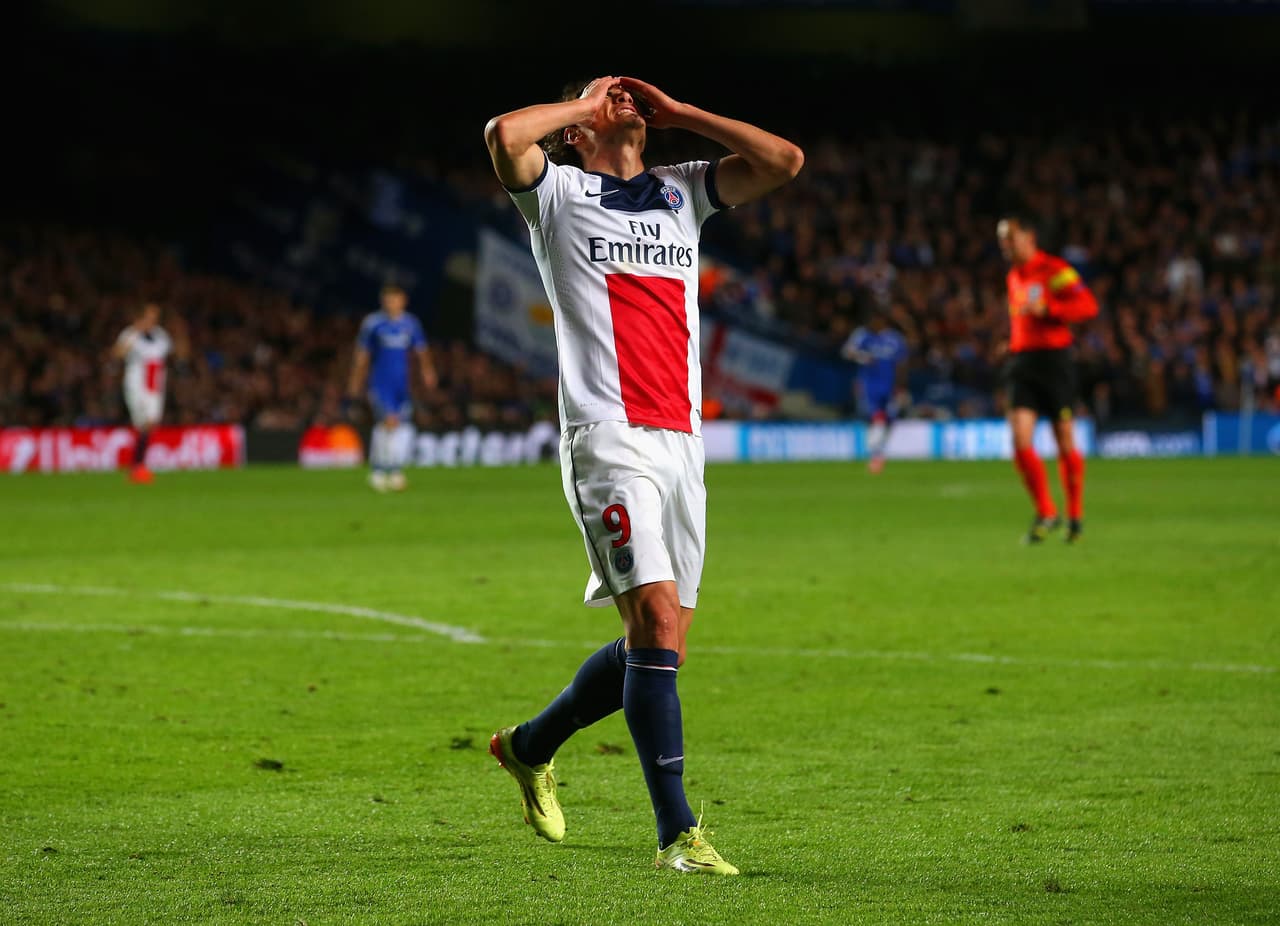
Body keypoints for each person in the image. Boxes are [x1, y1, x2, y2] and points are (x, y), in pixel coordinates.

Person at [483, 75, 803, 874]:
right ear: (578, 131)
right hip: (607, 436)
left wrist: (684, 113)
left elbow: (785, 160)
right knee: (656, 625)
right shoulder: (555, 193)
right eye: (603, 93)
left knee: (660, 644)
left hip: (680, 443)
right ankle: (677, 835)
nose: (621, 92)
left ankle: (528, 746)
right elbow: (503, 136)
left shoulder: (681, 192)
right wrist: (584, 106)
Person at [997, 213, 1099, 544]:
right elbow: (1023, 320)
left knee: (1064, 438)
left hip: (1055, 362)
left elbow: (1087, 306)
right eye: (1002, 240)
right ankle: (1046, 511)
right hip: (1022, 363)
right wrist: (1012, 343)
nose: (1005, 246)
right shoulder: (1014, 276)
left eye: (1010, 238)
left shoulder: (1055, 271)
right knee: (1019, 439)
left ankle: (1075, 518)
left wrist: (1052, 309)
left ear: (1030, 237)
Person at [346, 283, 438, 492]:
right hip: (380, 383)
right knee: (388, 422)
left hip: (401, 384)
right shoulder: (373, 324)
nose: (391, 303)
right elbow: (362, 355)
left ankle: (393, 471)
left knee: (398, 427)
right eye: (388, 300)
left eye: (395, 299)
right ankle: (379, 472)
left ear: (402, 300)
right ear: (383, 301)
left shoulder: (411, 324)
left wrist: (428, 372)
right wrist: (355, 381)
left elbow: (421, 351)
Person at [841, 310, 908, 474]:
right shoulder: (863, 335)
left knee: (890, 419)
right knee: (876, 417)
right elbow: (846, 352)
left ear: (882, 321)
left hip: (890, 386)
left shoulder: (895, 339)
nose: (872, 324)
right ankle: (876, 455)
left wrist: (902, 386)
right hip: (870, 385)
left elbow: (902, 364)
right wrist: (862, 357)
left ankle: (879, 451)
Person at [112, 302, 171, 484]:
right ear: (140, 317)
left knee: (151, 423)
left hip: (155, 387)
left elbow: (170, 352)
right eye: (149, 317)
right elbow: (118, 353)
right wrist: (134, 332)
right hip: (136, 385)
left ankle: (138, 465)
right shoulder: (130, 334)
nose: (152, 321)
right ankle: (138, 466)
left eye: (155, 317)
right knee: (144, 423)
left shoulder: (161, 336)